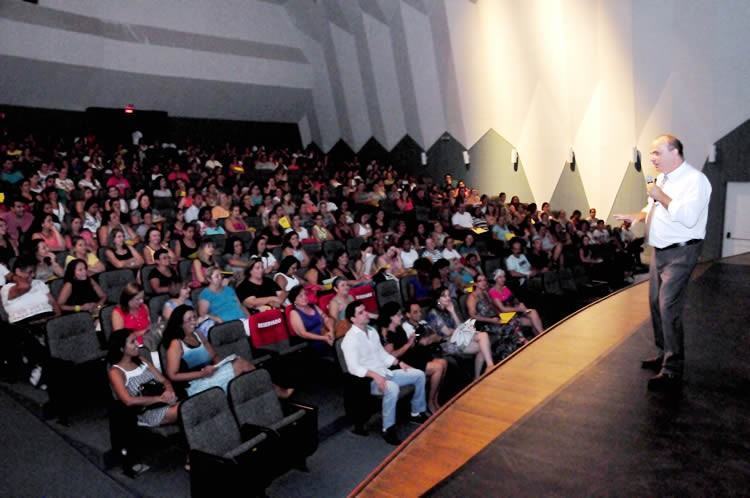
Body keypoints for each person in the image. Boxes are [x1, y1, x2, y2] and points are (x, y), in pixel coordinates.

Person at [615, 134, 711, 391]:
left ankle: (672, 368)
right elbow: (653, 207)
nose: (652, 158)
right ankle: (663, 352)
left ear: (675, 152)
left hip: (682, 253)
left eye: (657, 152)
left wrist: (662, 195)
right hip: (660, 251)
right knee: (656, 305)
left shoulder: (695, 180)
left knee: (668, 306)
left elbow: (689, 217)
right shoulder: (661, 180)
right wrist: (638, 215)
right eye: (651, 153)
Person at [340, 301, 429, 445]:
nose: (366, 314)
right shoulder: (350, 339)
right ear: (353, 319)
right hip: (368, 380)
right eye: (361, 313)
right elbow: (353, 368)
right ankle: (388, 429)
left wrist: (399, 363)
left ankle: (416, 412)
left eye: (365, 310)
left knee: (418, 374)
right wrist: (375, 375)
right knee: (392, 388)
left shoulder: (372, 331)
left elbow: (382, 355)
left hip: (385, 372)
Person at [162, 305, 255, 397]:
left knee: (240, 364)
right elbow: (172, 375)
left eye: (194, 317)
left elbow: (214, 356)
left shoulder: (198, 333)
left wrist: (220, 367)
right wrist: (202, 374)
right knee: (241, 365)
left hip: (209, 374)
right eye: (189, 319)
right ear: (180, 323)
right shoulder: (176, 343)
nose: (194, 321)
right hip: (194, 385)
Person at [380, 302, 447, 414]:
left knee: (443, 363)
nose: (401, 317)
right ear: (390, 317)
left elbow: (408, 345)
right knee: (438, 368)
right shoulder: (387, 333)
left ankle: (435, 398)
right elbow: (391, 356)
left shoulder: (399, 328)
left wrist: (412, 340)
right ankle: (430, 402)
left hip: (410, 357)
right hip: (400, 364)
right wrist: (408, 344)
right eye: (398, 315)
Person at [107, 328, 179, 428]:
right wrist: (159, 399)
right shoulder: (116, 371)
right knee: (186, 410)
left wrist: (169, 392)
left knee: (191, 404)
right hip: (147, 411)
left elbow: (164, 380)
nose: (137, 344)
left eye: (136, 340)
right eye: (132, 342)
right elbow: (128, 401)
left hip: (163, 401)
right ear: (122, 348)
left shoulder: (141, 359)